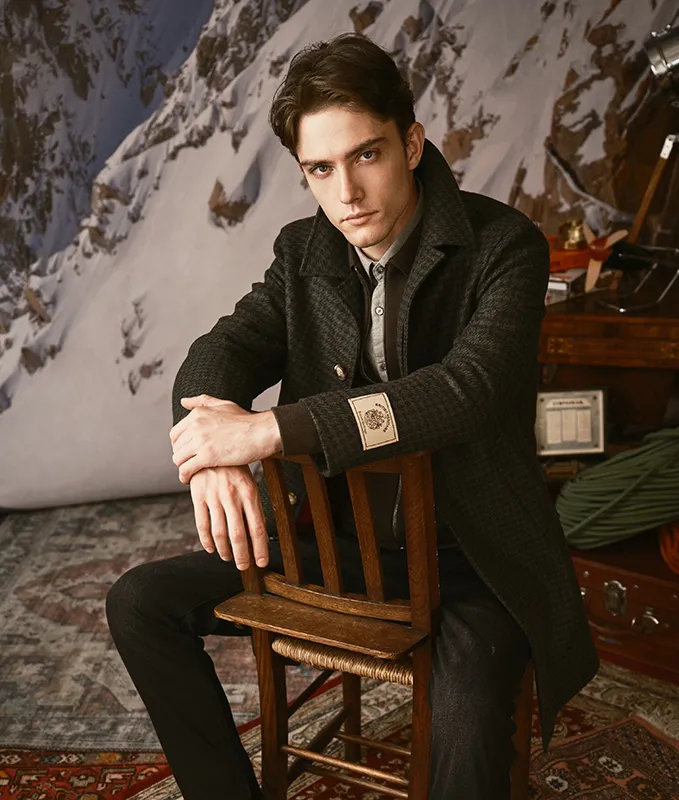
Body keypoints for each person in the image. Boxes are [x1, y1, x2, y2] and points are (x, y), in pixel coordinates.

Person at [106, 32, 598, 800]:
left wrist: (270, 430)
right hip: (333, 550)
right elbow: (218, 352)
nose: (347, 193)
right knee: (139, 604)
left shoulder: (506, 247)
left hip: (471, 559)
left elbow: (465, 389)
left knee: (466, 728)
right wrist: (211, 457)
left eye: (366, 155)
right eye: (321, 169)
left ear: (412, 143)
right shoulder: (302, 253)